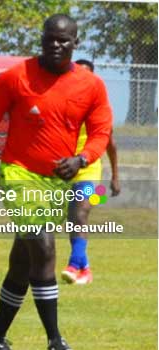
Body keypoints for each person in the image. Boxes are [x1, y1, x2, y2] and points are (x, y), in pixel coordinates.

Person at [0, 14, 112, 350]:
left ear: (75, 43)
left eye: (64, 40)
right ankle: (55, 341)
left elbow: (101, 133)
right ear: (42, 39)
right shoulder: (16, 77)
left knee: (22, 262)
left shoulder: (92, 86)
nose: (56, 45)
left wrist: (81, 160)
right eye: (50, 38)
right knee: (44, 247)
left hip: (57, 182)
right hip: (18, 175)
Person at [61, 59, 121, 285]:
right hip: (65, 170)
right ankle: (85, 268)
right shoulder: (63, 101)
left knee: (81, 214)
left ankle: (74, 265)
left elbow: (110, 145)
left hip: (90, 170)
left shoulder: (99, 107)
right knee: (73, 221)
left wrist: (115, 176)